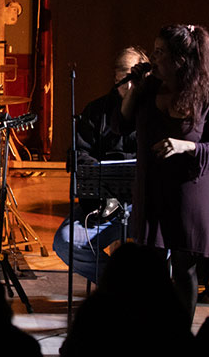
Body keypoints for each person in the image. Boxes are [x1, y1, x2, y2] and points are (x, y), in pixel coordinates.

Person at [121, 24, 209, 321]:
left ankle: (180, 333)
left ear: (180, 60)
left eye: (160, 52)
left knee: (184, 267)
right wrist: (134, 88)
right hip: (153, 187)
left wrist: (185, 146)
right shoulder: (149, 90)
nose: (153, 58)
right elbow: (123, 122)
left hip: (189, 192)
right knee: (151, 265)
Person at [53, 47, 147, 281]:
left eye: (133, 76)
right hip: (105, 205)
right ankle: (118, 285)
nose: (127, 84)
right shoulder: (97, 110)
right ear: (115, 78)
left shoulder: (154, 110)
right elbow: (79, 154)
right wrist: (102, 178)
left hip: (144, 206)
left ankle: (148, 292)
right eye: (122, 76)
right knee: (65, 242)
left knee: (166, 241)